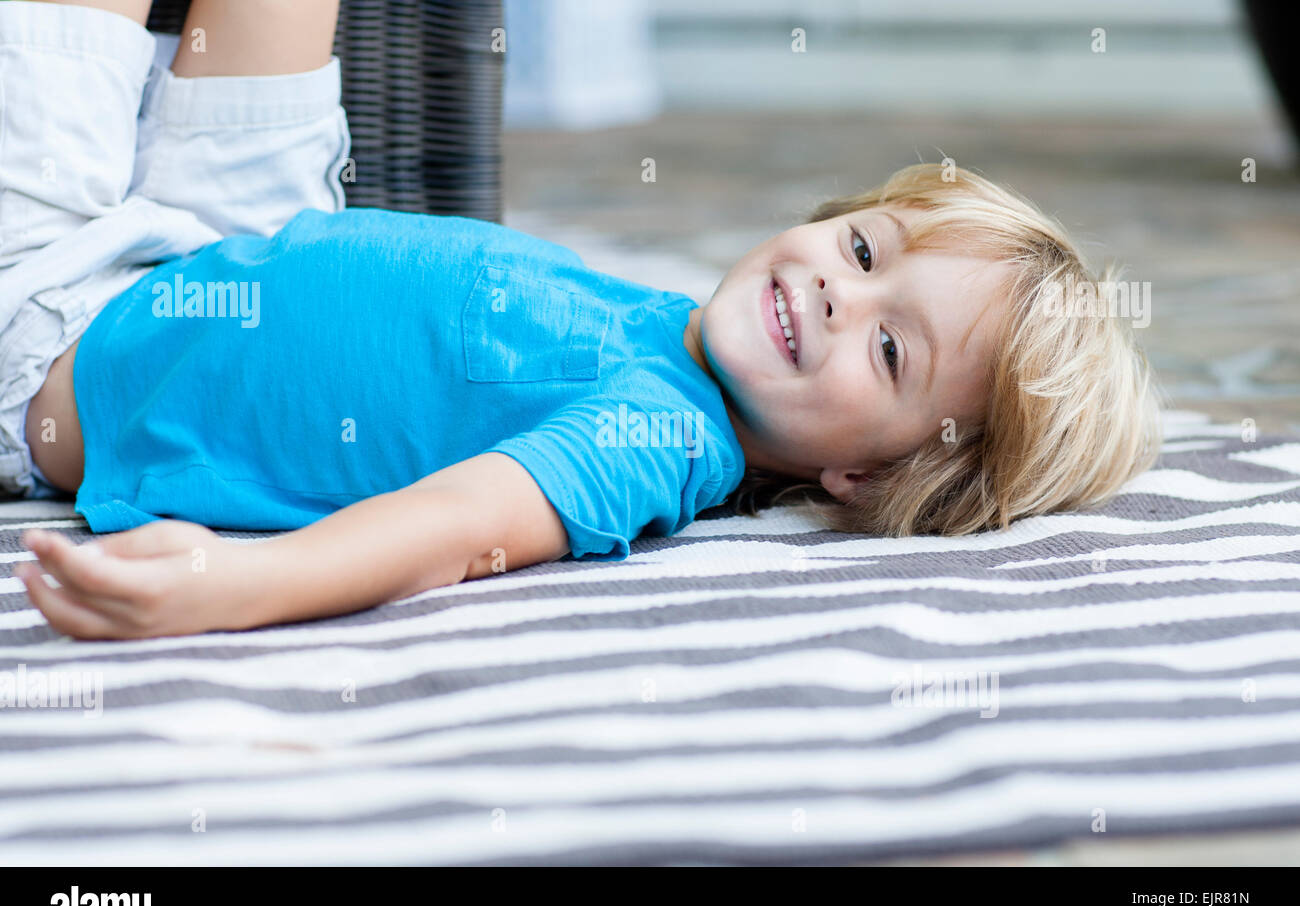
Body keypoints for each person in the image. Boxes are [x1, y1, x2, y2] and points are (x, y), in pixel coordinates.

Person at [0, 0, 1164, 639]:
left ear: (863, 479)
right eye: (864, 250)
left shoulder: (664, 436)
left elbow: (453, 522)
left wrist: (229, 584)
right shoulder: (678, 330)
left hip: (58, 339)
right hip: (236, 232)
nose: (833, 291)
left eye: (890, 346)